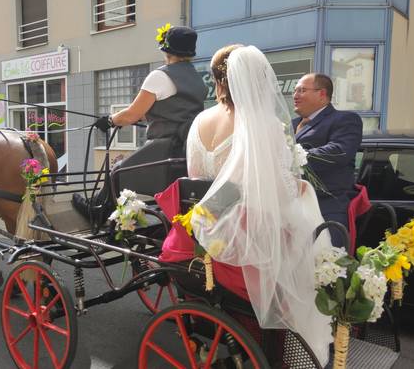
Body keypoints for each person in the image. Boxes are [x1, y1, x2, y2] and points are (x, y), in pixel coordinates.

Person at [173, 45, 332, 365]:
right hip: (243, 236)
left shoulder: (199, 121)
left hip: (205, 232)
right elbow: (275, 191)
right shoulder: (263, 124)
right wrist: (296, 186)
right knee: (308, 229)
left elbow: (198, 179)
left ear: (218, 81)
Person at [72, 24, 208, 222]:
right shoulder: (197, 79)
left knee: (117, 170)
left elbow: (131, 115)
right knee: (121, 168)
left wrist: (109, 120)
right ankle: (102, 206)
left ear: (166, 50)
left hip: (163, 147)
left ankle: (98, 212)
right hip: (185, 150)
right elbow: (172, 109)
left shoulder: (160, 76)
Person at [292, 73, 363, 246]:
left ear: (322, 94)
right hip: (292, 211)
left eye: (302, 90)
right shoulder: (291, 124)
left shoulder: (345, 120)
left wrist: (293, 157)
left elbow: (339, 151)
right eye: (294, 91)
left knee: (327, 265)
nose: (295, 96)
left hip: (326, 208)